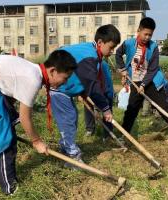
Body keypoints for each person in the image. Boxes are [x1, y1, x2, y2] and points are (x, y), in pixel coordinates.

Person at [0, 51, 77, 195]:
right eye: (65, 78)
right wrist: (37, 141)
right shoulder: (33, 78)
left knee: (6, 134)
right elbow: (24, 117)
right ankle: (11, 190)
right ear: (52, 71)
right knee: (2, 142)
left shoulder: (34, 72)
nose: (65, 82)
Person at [50, 24, 120, 167]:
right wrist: (105, 108)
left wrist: (82, 92)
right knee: (69, 119)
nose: (112, 52)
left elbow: (81, 75)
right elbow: (92, 86)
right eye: (111, 47)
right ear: (100, 42)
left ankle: (65, 148)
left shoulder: (90, 51)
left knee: (71, 118)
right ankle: (72, 156)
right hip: (58, 86)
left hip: (64, 87)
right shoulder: (90, 55)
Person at [116, 17, 168, 142]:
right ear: (139, 30)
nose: (147, 37)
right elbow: (118, 54)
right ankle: (123, 135)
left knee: (163, 106)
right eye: (145, 34)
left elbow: (153, 69)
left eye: (150, 35)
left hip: (150, 81)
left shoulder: (153, 47)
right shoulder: (129, 43)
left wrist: (143, 84)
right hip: (135, 82)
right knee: (131, 109)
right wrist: (122, 69)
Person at [84, 61, 114, 136]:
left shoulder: (103, 65)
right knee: (88, 107)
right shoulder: (85, 64)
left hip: (104, 91)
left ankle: (108, 133)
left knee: (107, 110)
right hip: (90, 90)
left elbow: (107, 84)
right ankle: (90, 129)